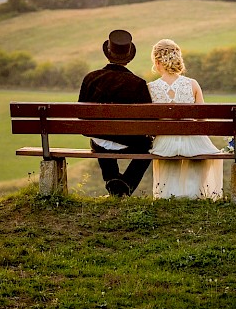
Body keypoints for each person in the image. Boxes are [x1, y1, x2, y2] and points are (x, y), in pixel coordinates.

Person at [79, 29, 153, 197]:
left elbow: (81, 115)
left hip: (99, 140)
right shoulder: (138, 83)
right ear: (128, 57)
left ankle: (112, 179)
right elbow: (148, 120)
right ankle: (126, 184)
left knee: (100, 138)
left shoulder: (90, 78)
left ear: (108, 53)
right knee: (148, 148)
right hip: (129, 143)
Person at [147, 39, 222, 199]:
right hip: (193, 140)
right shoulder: (192, 84)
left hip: (164, 143)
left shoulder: (150, 88)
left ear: (158, 62)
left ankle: (167, 196)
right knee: (199, 150)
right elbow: (202, 120)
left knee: (170, 153)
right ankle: (195, 195)